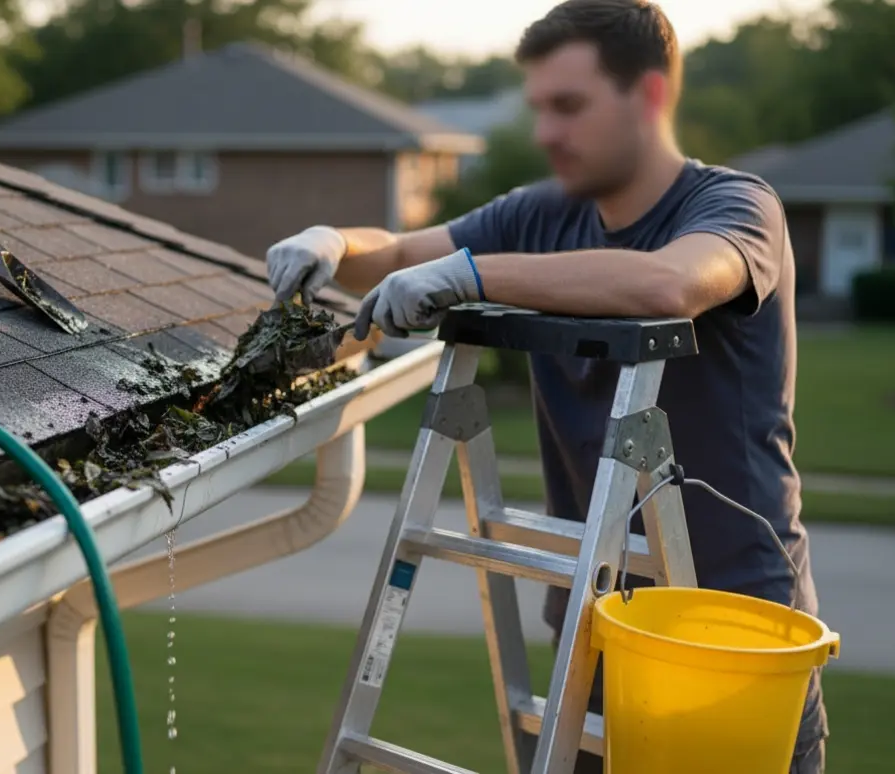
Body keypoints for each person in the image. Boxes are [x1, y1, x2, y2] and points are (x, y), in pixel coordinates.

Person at [263, 0, 826, 771]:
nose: (547, 134)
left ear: (650, 96)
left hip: (729, 633)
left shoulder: (734, 205)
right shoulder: (539, 215)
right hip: (595, 631)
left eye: (570, 107)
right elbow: (393, 252)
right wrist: (332, 243)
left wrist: (471, 275)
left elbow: (668, 284)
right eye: (540, 109)